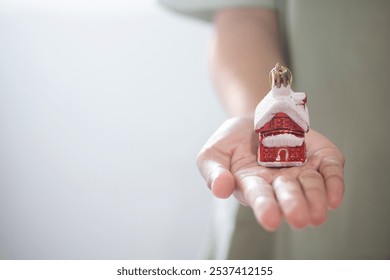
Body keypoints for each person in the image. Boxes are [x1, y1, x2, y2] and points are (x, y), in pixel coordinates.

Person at [159, 0, 390, 259]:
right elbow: (243, 14)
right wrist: (250, 114)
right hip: (274, 160)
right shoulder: (272, 103)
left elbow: (299, 122)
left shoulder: (296, 101)